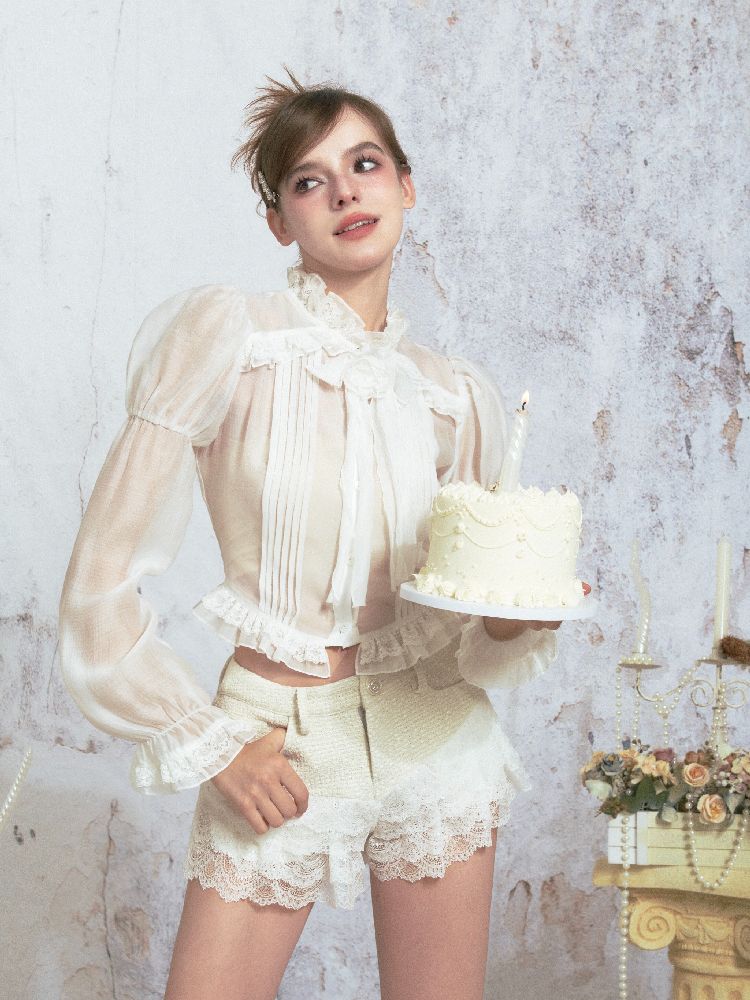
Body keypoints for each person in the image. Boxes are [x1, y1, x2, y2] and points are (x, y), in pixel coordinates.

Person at [57, 67, 587, 1000]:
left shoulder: (454, 394)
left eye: (365, 164)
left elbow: (468, 612)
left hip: (437, 731)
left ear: (406, 185)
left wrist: (517, 617)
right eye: (310, 180)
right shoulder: (228, 337)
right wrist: (216, 744)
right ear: (279, 222)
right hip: (278, 743)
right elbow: (99, 586)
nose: (345, 191)